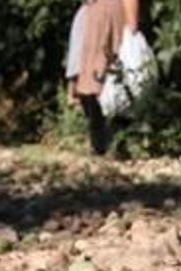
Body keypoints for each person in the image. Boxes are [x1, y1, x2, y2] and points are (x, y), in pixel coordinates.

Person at [65, 0, 142, 155]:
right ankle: (112, 142)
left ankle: (102, 142)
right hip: (109, 13)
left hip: (95, 12)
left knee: (95, 78)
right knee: (115, 77)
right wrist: (133, 27)